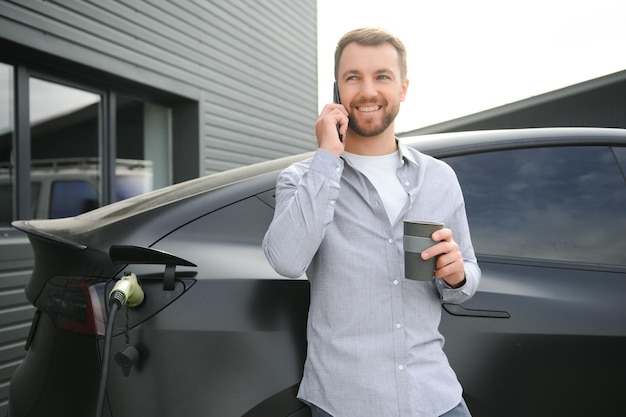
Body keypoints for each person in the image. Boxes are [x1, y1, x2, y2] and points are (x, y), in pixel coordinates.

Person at [263, 27, 481, 417]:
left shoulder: (439, 178)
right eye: (353, 78)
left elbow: (468, 276)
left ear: (403, 88)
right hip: (346, 402)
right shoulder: (302, 178)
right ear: (337, 91)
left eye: (382, 76)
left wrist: (456, 275)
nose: (367, 91)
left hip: (436, 397)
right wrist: (327, 157)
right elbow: (286, 259)